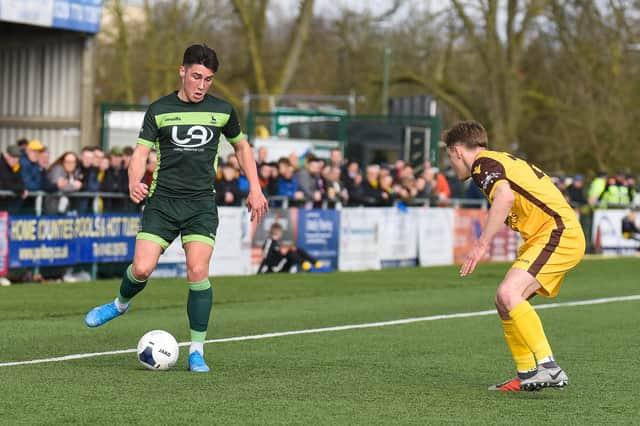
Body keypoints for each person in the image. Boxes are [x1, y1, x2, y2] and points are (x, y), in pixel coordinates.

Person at [84, 44, 268, 373]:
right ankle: (119, 304)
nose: (201, 85)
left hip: (200, 204)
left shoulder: (223, 111)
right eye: (196, 76)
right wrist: (133, 180)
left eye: (209, 79)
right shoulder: (158, 110)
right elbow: (140, 153)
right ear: (182, 71)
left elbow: (242, 148)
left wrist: (255, 188)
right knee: (141, 269)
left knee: (197, 271)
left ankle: (196, 351)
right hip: (163, 202)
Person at [442, 120, 585, 392]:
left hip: (558, 232)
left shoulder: (483, 165)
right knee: (503, 300)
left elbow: (504, 199)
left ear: (459, 151)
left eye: (450, 156)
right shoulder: (496, 161)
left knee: (509, 294)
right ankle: (527, 373)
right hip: (550, 234)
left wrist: (482, 243)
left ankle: (549, 367)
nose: (452, 164)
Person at [0, 145, 27, 213]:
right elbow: (6, 184)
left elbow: (21, 182)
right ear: (6, 155)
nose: (15, 160)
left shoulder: (16, 167)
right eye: (13, 157)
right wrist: (21, 190)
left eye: (17, 157)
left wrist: (21, 188)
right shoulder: (1, 165)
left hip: (8, 204)